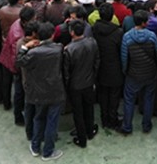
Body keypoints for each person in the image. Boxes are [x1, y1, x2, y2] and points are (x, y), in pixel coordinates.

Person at [17, 22, 65, 161]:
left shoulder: (33, 53)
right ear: (52, 35)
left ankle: (35, 147)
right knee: (52, 122)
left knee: (38, 118)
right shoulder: (58, 49)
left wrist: (25, 47)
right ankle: (48, 152)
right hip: (55, 91)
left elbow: (19, 61)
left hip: (38, 92)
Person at [119, 10, 157, 135]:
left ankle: (127, 126)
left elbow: (124, 58)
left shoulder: (127, 37)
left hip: (133, 74)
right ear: (144, 23)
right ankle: (146, 125)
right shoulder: (152, 36)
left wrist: (125, 71)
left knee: (129, 100)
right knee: (149, 98)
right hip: (150, 72)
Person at [63, 20, 99, 148]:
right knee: (89, 108)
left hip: (75, 86)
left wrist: (67, 86)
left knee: (78, 112)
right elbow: (97, 61)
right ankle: (90, 131)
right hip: (89, 82)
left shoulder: (69, 49)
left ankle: (81, 138)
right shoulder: (92, 42)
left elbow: (66, 72)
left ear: (72, 32)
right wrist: (93, 77)